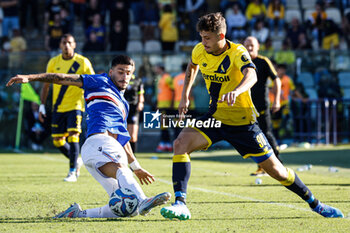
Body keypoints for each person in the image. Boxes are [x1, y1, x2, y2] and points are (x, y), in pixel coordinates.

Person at [159, 12, 344, 220]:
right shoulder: (200, 50)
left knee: (278, 172)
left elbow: (252, 74)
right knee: (180, 143)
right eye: (201, 37)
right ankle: (180, 203)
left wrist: (237, 91)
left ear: (221, 36)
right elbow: (192, 67)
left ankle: (316, 204)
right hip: (215, 117)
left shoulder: (237, 52)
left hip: (243, 124)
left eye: (207, 37)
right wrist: (184, 96)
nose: (203, 42)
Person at [7, 55, 171, 219]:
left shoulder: (124, 104)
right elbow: (61, 78)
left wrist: (136, 167)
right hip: (98, 143)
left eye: (129, 73)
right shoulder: (100, 81)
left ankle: (77, 214)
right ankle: (143, 200)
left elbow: (123, 139)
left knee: (129, 209)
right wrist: (29, 77)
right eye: (121, 72)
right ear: (111, 71)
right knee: (122, 172)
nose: (125, 77)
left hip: (103, 151)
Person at [40, 34, 94, 182]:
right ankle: (76, 159)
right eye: (64, 43)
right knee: (57, 140)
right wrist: (41, 105)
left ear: (74, 45)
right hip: (58, 106)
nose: (66, 45)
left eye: (69, 43)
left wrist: (92, 104)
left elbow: (92, 83)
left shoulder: (83, 62)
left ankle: (72, 172)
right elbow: (46, 85)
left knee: (73, 136)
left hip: (75, 106)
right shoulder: (53, 62)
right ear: (60, 45)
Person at [243, 36, 281, 176]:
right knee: (253, 137)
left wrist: (276, 100)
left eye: (252, 45)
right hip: (246, 107)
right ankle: (262, 166)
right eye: (247, 45)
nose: (249, 48)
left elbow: (276, 80)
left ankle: (278, 163)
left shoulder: (263, 62)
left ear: (258, 46)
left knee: (266, 134)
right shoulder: (240, 62)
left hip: (262, 106)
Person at [124, 73, 144, 153]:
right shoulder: (120, 78)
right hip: (122, 109)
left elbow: (141, 94)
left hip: (134, 109)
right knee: (123, 135)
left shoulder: (138, 80)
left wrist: (141, 103)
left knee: (132, 136)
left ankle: (133, 159)